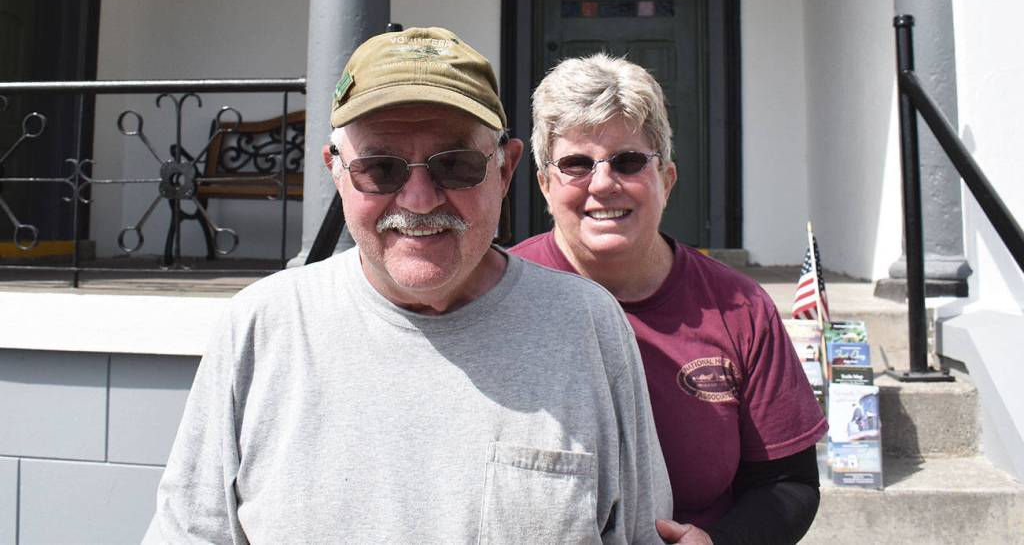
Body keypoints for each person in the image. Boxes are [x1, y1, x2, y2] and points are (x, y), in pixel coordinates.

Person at [145, 28, 672, 543]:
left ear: (506, 170)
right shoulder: (262, 327)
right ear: (336, 172)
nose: (420, 200)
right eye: (380, 168)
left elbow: (642, 532)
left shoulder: (586, 326)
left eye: (457, 165)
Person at [509, 54, 827, 545]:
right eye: (575, 164)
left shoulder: (738, 308)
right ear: (545, 186)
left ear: (668, 181)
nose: (603, 183)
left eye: (629, 161)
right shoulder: (497, 296)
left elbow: (788, 483)